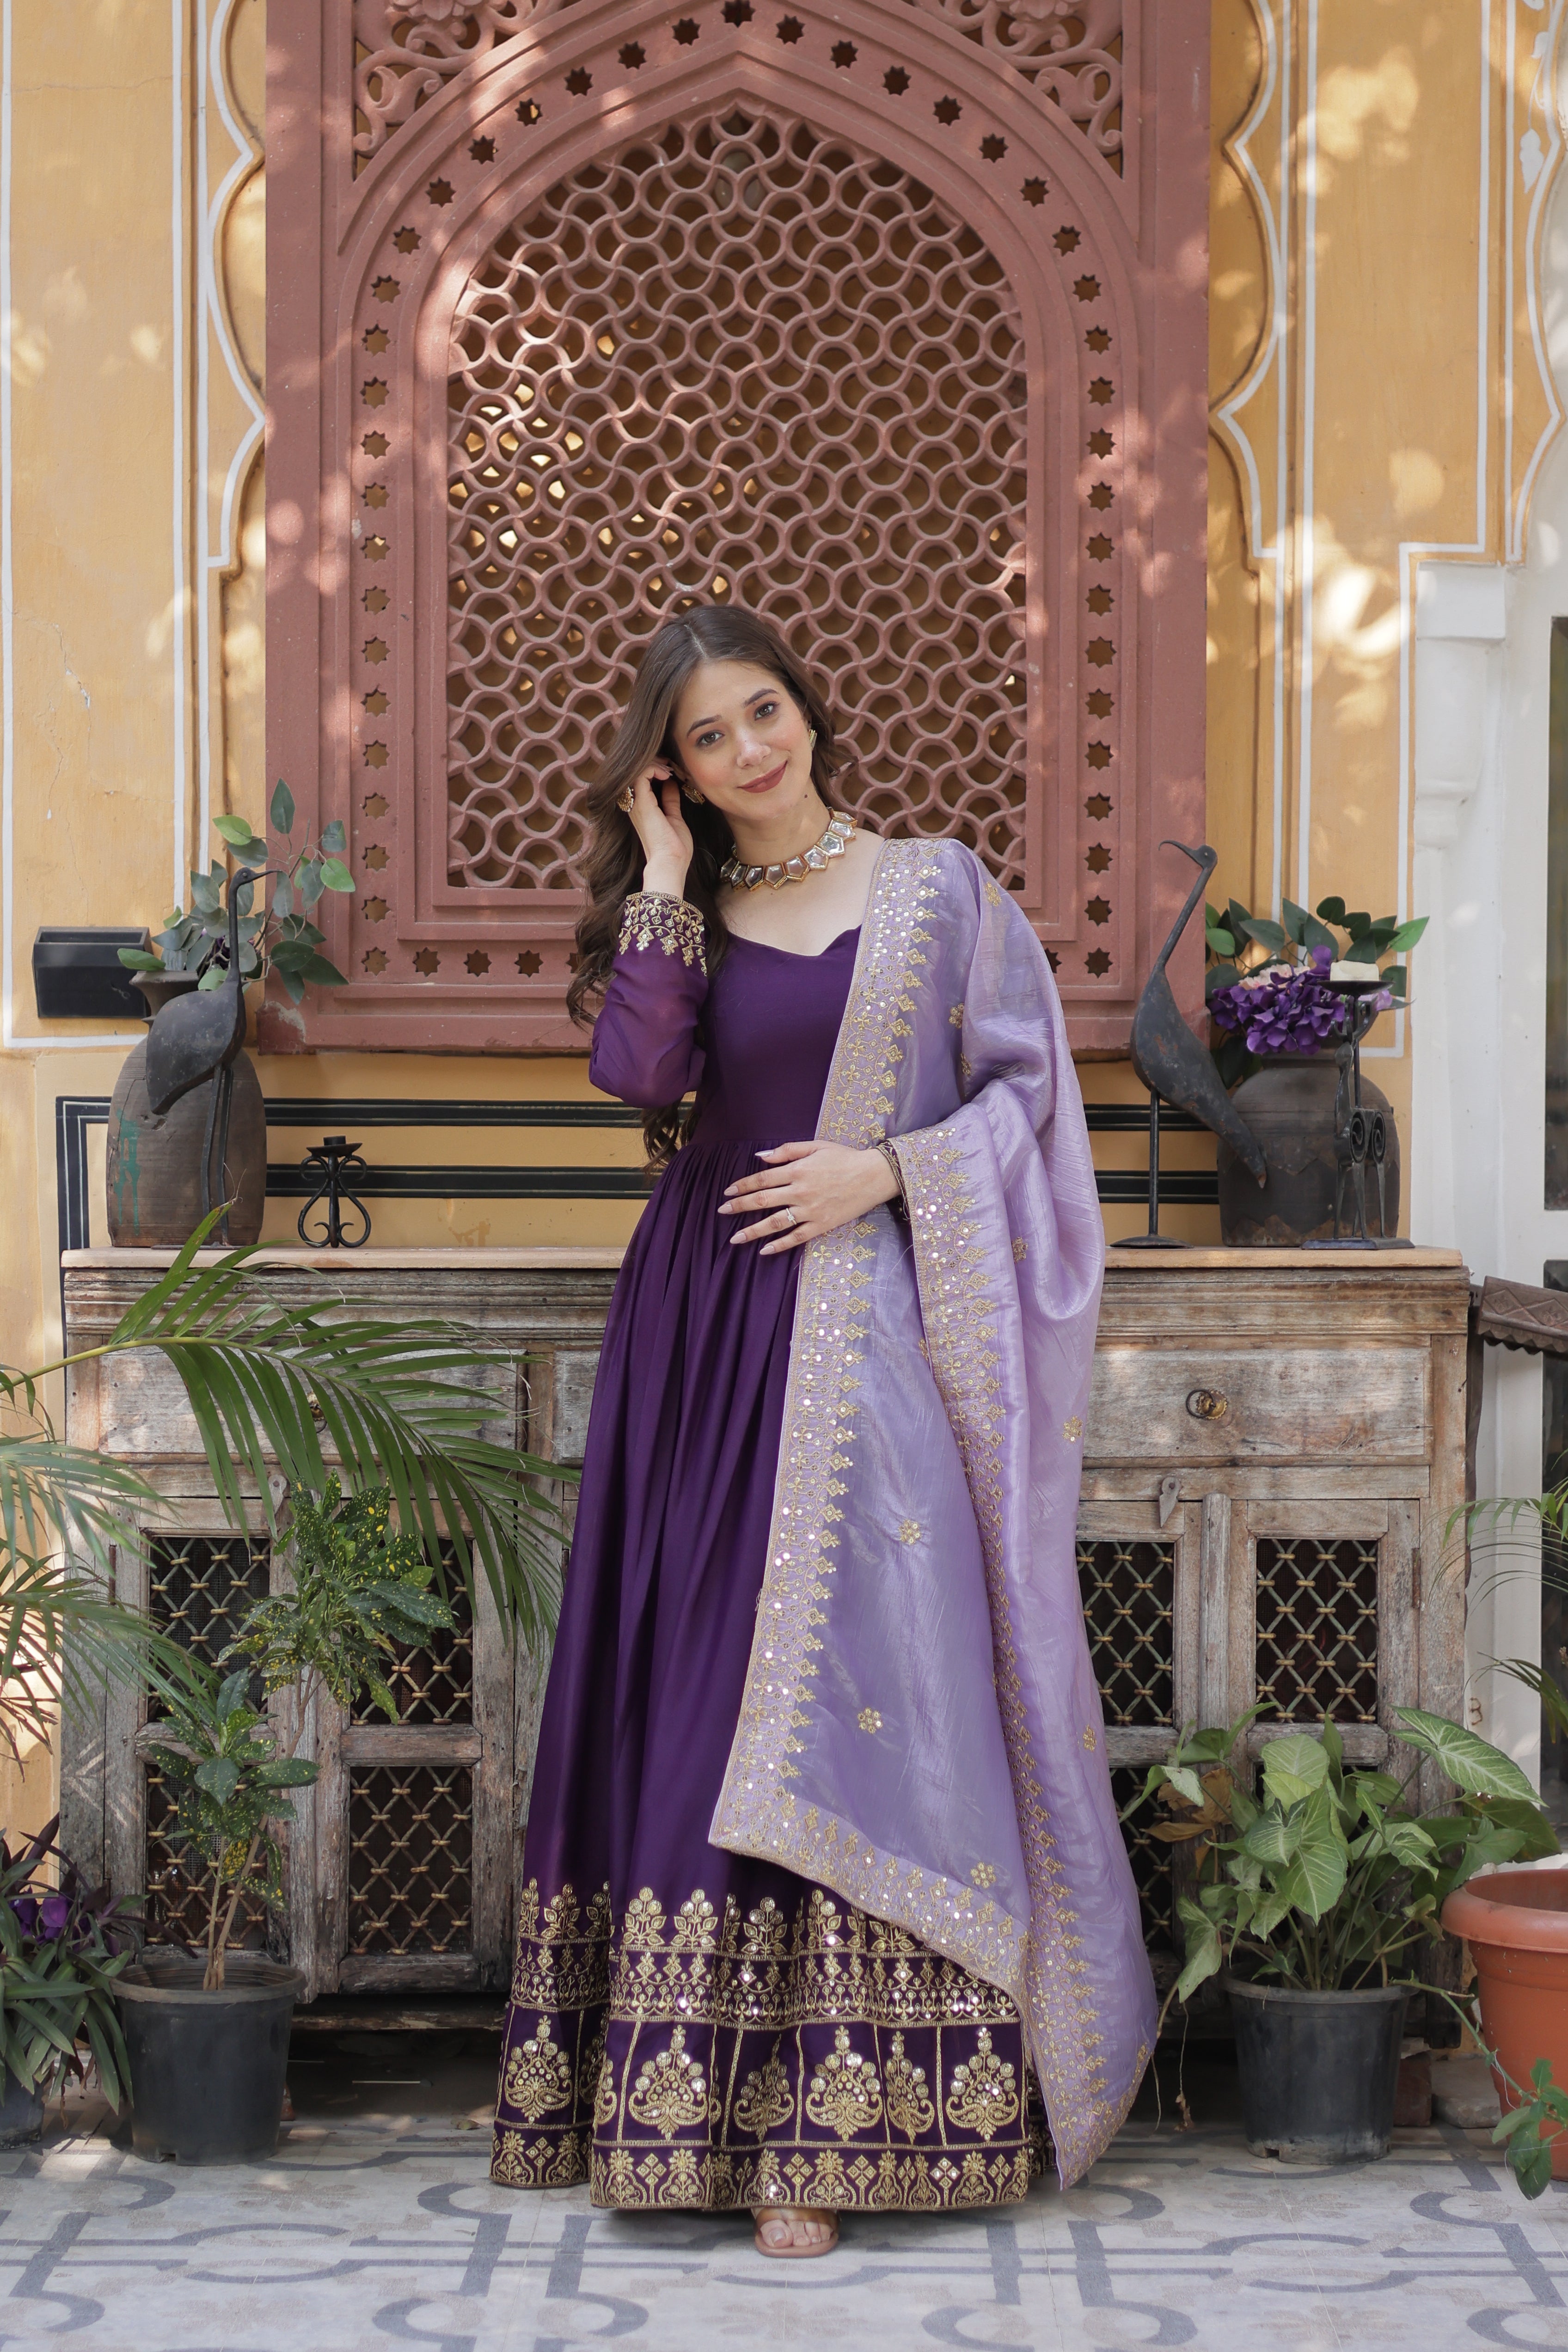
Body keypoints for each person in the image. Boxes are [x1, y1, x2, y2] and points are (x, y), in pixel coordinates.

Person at [490, 604, 1154, 2255]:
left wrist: (888, 1173)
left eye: (762, 713)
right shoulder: (692, 907)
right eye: (706, 740)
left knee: (873, 1687)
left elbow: (1029, 1097)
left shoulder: (939, 887)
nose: (748, 752)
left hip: (882, 1334)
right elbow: (639, 1084)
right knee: (716, 1693)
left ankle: (838, 2131)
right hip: (705, 1342)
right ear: (679, 771)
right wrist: (657, 872)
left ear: (808, 708)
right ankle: (685, 2117)